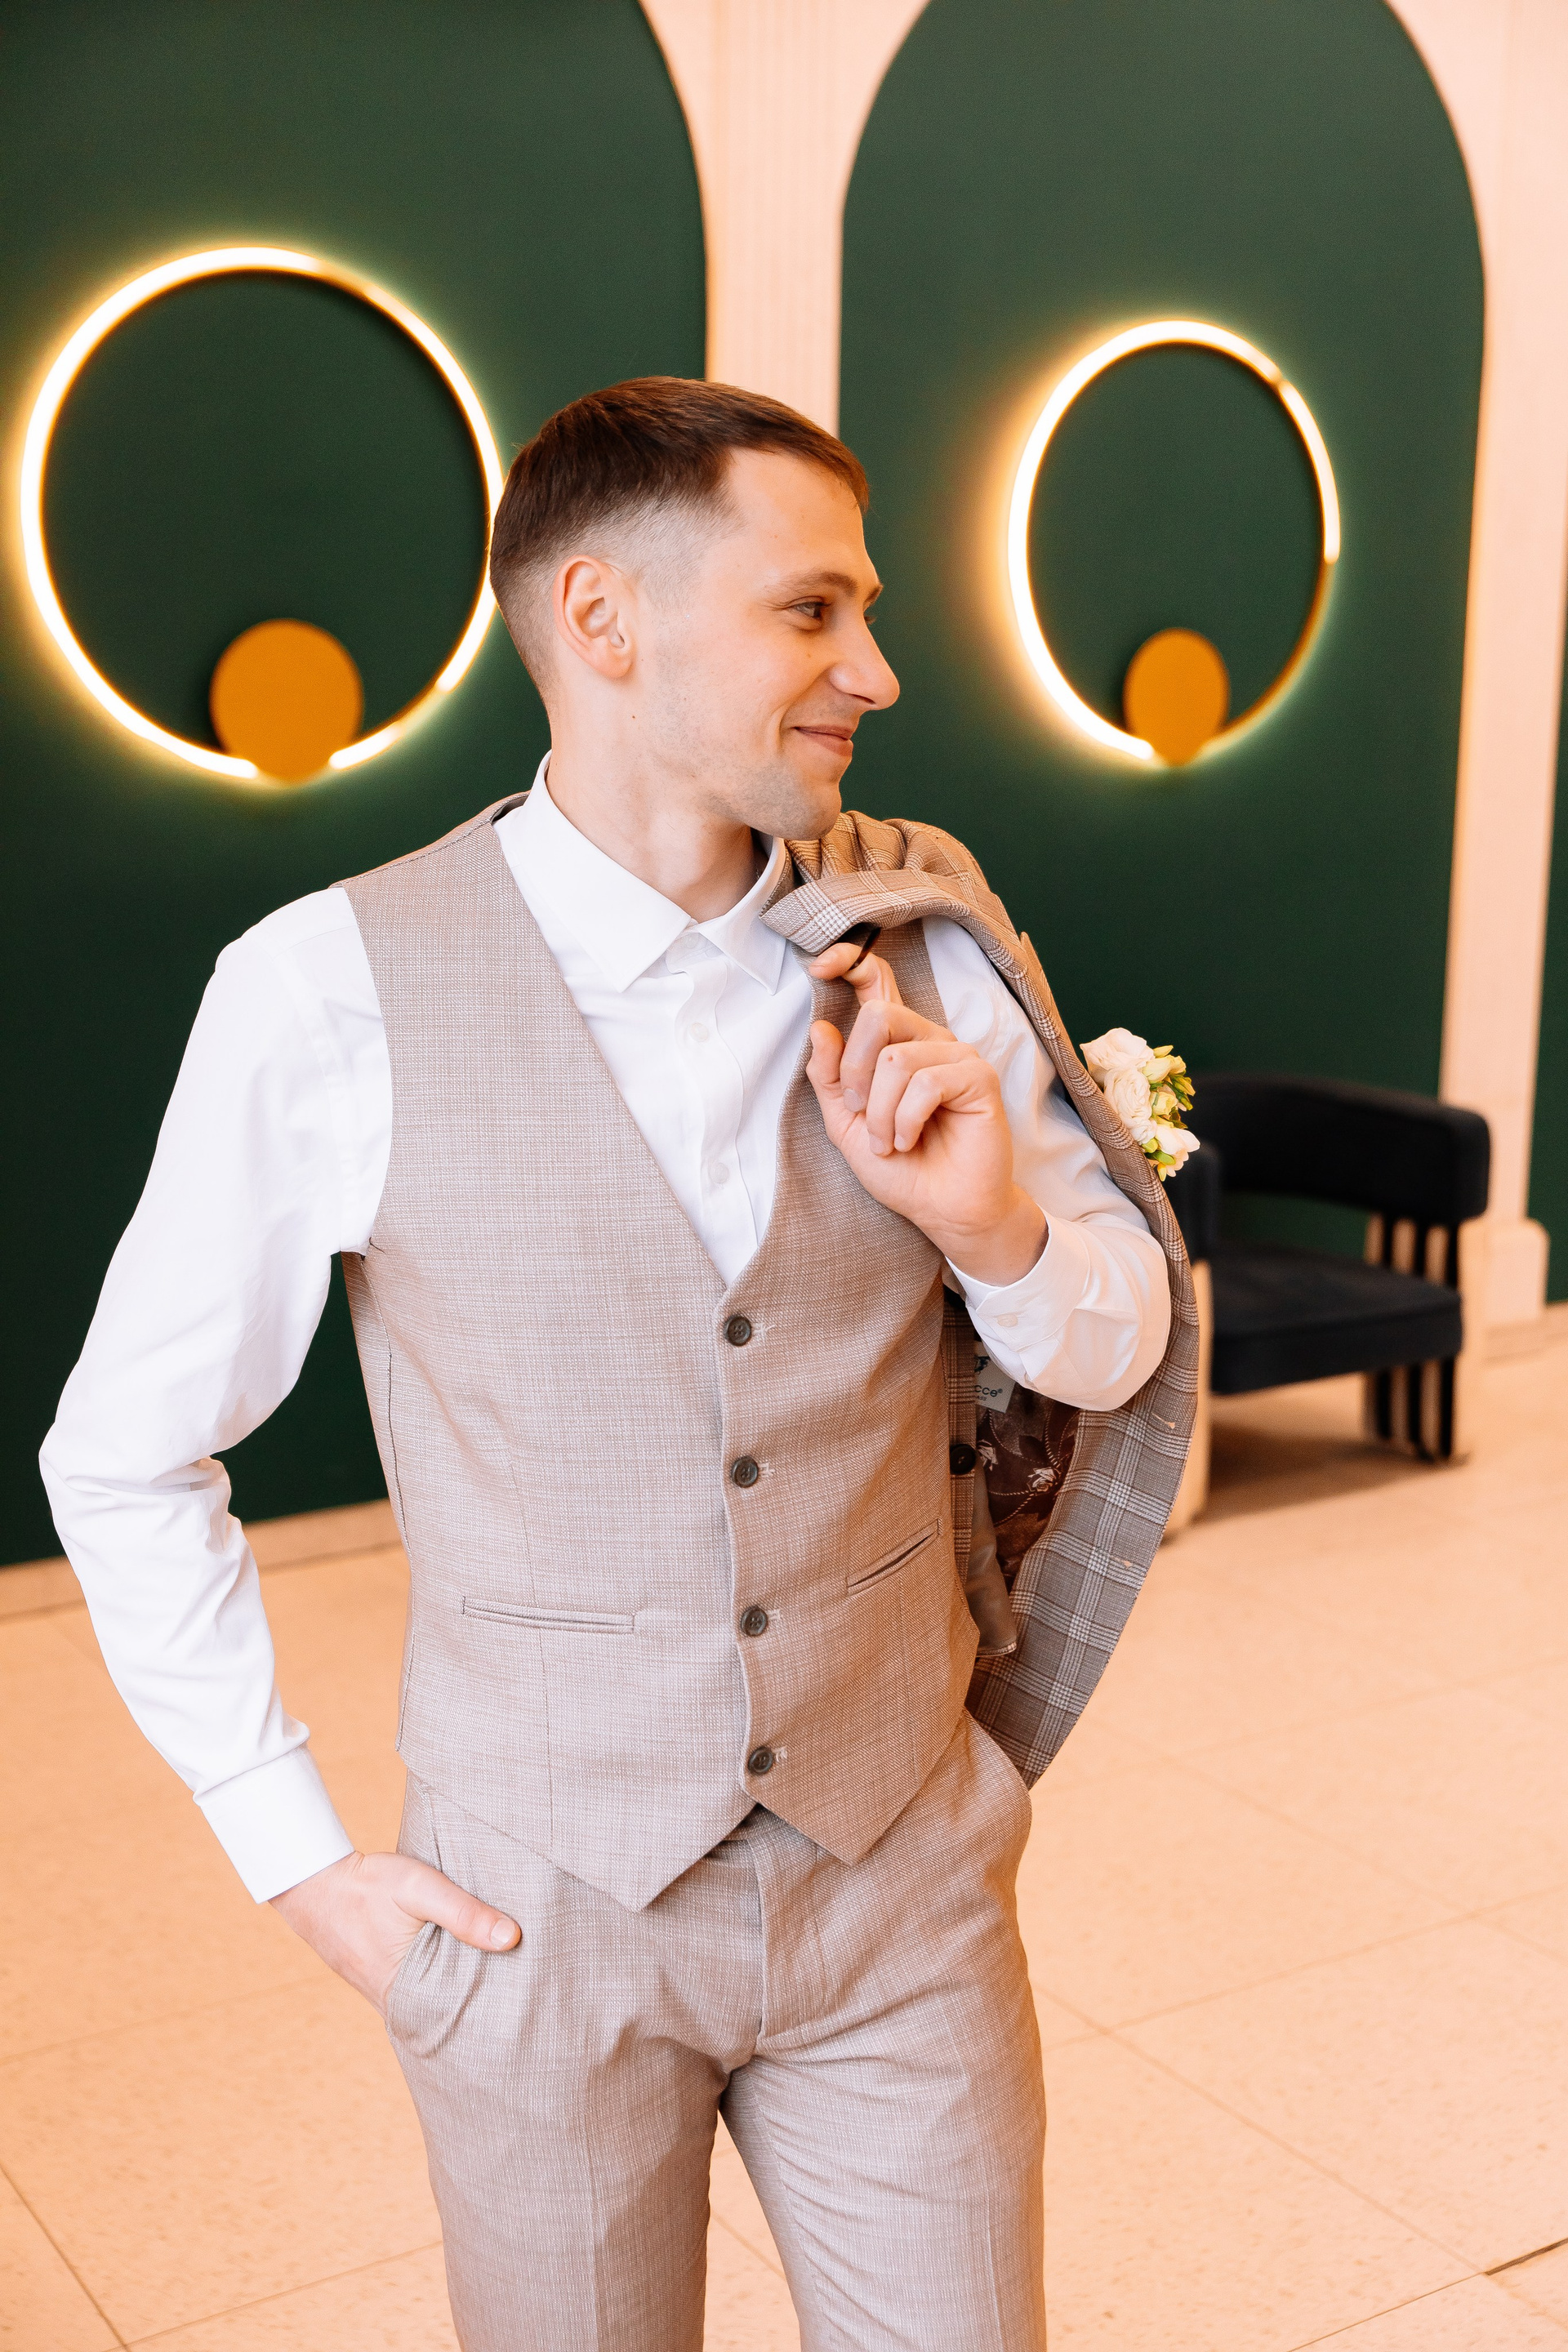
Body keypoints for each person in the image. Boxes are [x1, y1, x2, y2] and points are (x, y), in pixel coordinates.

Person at [42, 377, 1186, 2351]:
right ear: (602, 617)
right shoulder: (323, 987)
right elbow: (125, 1455)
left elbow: (1127, 1336)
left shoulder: (928, 940)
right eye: (812, 609)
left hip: (903, 1884)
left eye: (867, 611)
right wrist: (294, 1857)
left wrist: (998, 1228)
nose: (876, 671)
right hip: (537, 1923)